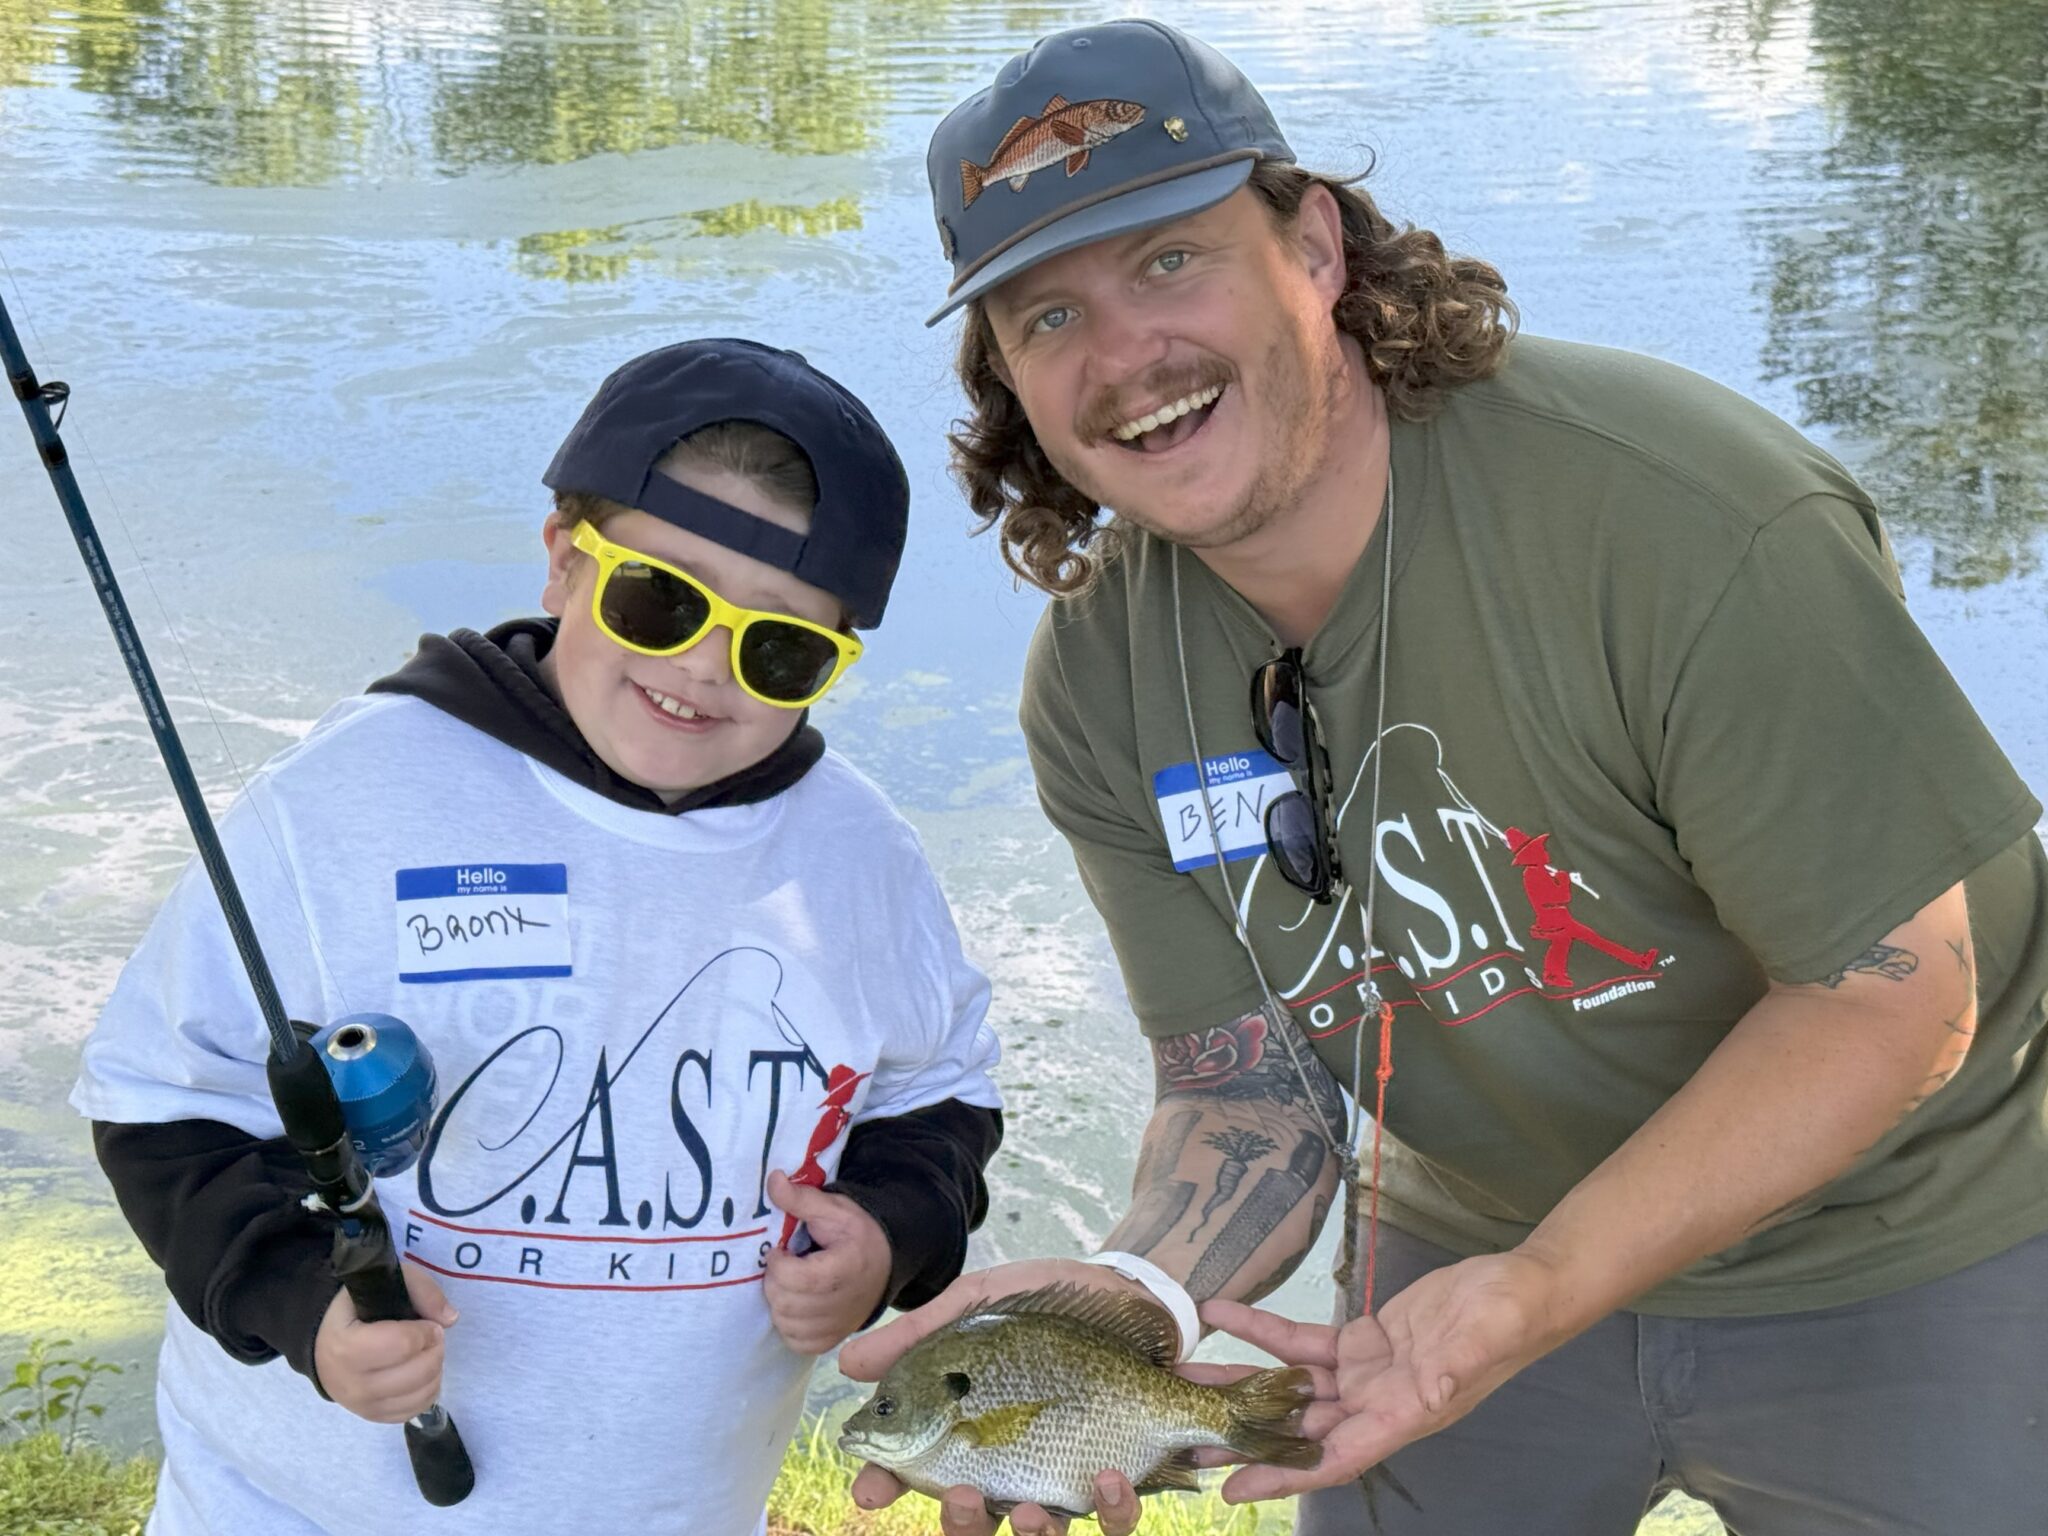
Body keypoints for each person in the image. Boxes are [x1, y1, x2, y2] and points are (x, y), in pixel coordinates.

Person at [839, 18, 2048, 1536]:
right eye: (1044, 317)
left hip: (1906, 1235)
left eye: (1170, 262)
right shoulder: (1098, 681)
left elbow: (1890, 995)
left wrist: (1540, 1290)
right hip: (1468, 1242)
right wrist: (1136, 1293)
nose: (1124, 359)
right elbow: (1253, 1090)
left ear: (1318, 246)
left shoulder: (1681, 520)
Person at [71, 338, 1005, 1535]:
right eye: (660, 600)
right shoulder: (346, 800)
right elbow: (163, 1104)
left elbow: (939, 1099)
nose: (705, 669)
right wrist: (300, 1300)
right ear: (566, 560)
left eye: (780, 649)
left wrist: (889, 1234)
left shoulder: (862, 861)